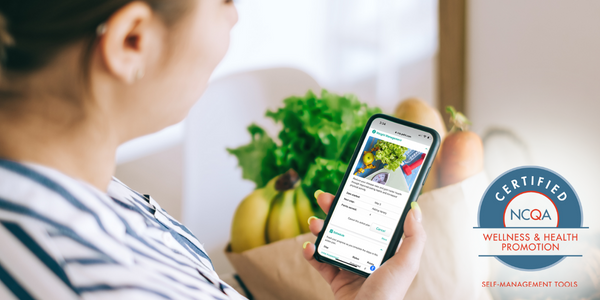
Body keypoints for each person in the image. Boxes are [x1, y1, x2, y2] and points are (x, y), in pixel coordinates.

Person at [0, 0, 426, 299]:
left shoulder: (72, 178)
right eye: (224, 0)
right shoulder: (102, 281)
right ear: (132, 40)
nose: (235, 15)